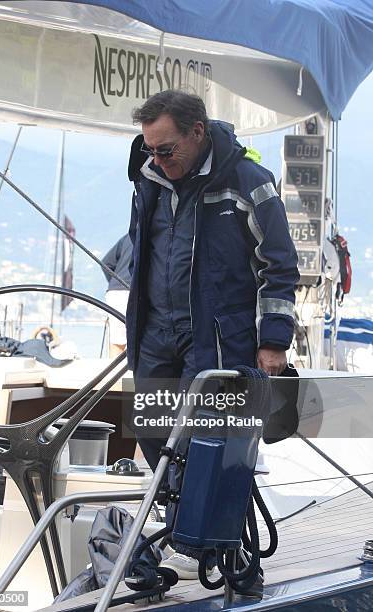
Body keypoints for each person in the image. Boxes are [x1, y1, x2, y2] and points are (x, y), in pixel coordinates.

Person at [125, 90, 299, 577]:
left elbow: (280, 265)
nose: (157, 159)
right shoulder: (149, 181)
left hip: (219, 343)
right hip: (156, 336)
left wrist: (273, 341)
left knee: (213, 448)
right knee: (157, 444)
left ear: (197, 133)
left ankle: (236, 557)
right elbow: (143, 253)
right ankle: (182, 533)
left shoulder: (248, 183)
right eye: (150, 150)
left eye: (166, 149)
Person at [101, 233, 132, 357]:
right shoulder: (158, 236)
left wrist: (116, 283)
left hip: (115, 293)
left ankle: (115, 375)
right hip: (134, 292)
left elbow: (106, 263)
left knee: (116, 343)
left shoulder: (128, 237)